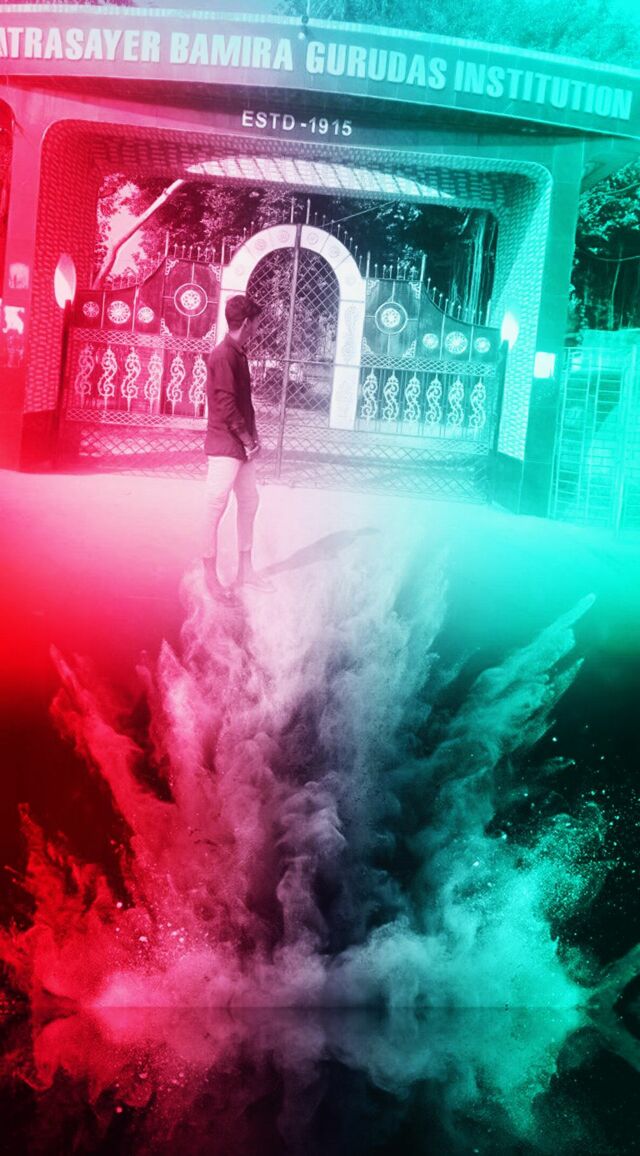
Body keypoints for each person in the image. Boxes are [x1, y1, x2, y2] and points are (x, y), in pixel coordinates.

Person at [203, 293, 268, 595]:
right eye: (256, 323)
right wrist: (247, 441)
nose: (257, 328)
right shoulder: (224, 356)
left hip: (240, 444)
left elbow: (242, 404)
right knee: (215, 505)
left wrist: (252, 439)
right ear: (246, 323)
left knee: (249, 501)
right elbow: (227, 406)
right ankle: (210, 577)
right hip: (225, 444)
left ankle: (246, 571)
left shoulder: (237, 353)